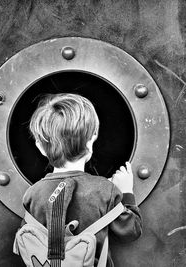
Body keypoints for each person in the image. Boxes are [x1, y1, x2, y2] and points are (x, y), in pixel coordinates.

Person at [22, 93, 142, 266]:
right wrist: (126, 192)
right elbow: (131, 230)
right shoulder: (105, 190)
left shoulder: (32, 194)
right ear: (92, 139)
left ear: (40, 147)